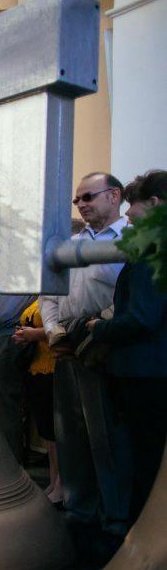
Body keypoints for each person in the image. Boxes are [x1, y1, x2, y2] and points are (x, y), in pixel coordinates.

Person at [40, 171, 131, 548]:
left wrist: (95, 332)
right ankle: (79, 513)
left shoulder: (131, 242)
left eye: (88, 197)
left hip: (102, 350)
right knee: (71, 437)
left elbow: (130, 297)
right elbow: (48, 293)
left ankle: (115, 518)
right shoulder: (71, 243)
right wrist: (53, 332)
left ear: (115, 196)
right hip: (65, 348)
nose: (81, 205)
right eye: (77, 200)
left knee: (105, 439)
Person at [88, 170, 167, 526]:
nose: (129, 219)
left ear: (152, 204)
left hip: (146, 372)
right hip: (151, 369)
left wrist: (101, 328)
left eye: (133, 211)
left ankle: (137, 538)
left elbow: (141, 317)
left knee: (144, 459)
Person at [13, 300, 61, 504]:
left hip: (53, 366)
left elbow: (60, 328)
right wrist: (24, 334)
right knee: (48, 434)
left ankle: (62, 484)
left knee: (56, 432)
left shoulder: (58, 294)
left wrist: (32, 334)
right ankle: (53, 481)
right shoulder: (39, 297)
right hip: (36, 367)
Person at [0, 292, 37, 464]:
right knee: (6, 406)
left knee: (3, 408)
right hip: (11, 334)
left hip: (6, 337)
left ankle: (7, 466)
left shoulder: (13, 269)